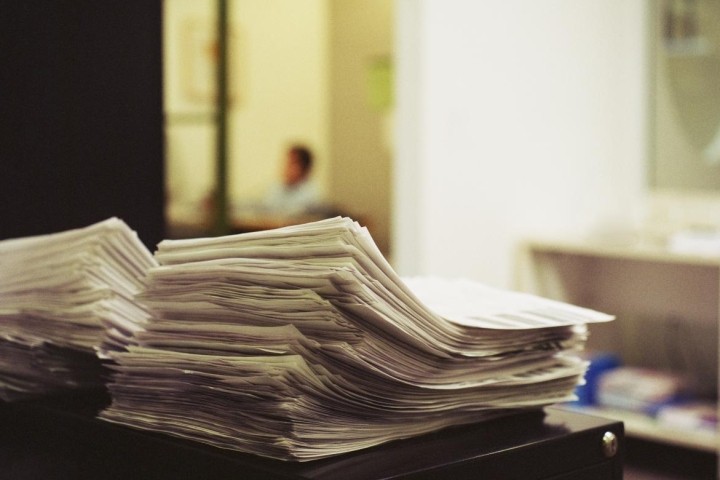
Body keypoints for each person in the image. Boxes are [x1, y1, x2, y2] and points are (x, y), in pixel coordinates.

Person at [263, 144, 322, 216]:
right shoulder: (277, 187)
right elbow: (267, 210)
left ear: (304, 168)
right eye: (286, 162)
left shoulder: (312, 193)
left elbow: (296, 215)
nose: (286, 167)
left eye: (292, 163)